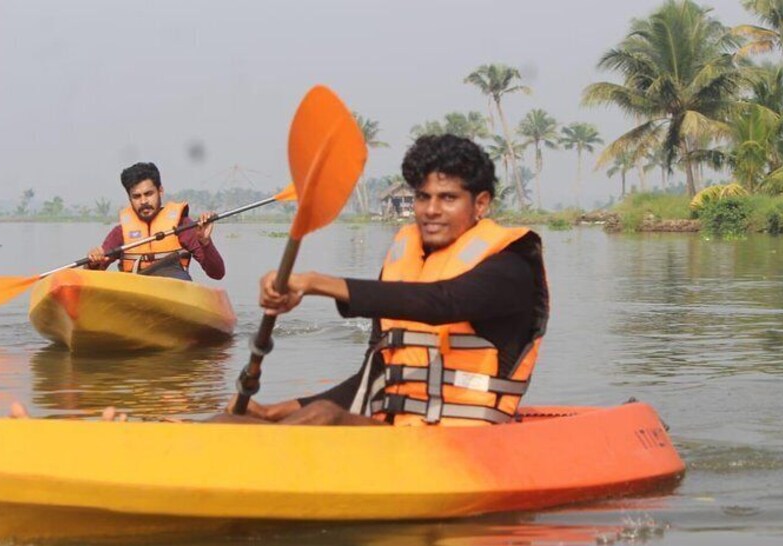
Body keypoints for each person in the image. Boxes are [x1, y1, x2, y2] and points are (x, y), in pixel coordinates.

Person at [230, 134, 550, 426]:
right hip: (395, 437)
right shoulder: (403, 262)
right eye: (423, 197)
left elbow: (443, 302)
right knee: (232, 419)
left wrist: (314, 283)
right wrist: (274, 411)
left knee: (324, 418)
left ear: (480, 203)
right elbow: (374, 375)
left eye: (448, 198)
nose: (431, 210)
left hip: (470, 441)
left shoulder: (511, 267)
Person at [86, 162, 225, 281]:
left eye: (148, 194)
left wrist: (206, 243)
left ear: (160, 191)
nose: (143, 201)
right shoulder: (120, 233)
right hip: (136, 296)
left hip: (173, 293)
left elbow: (217, 274)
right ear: (129, 199)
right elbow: (91, 276)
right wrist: (94, 262)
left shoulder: (182, 226)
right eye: (136, 196)